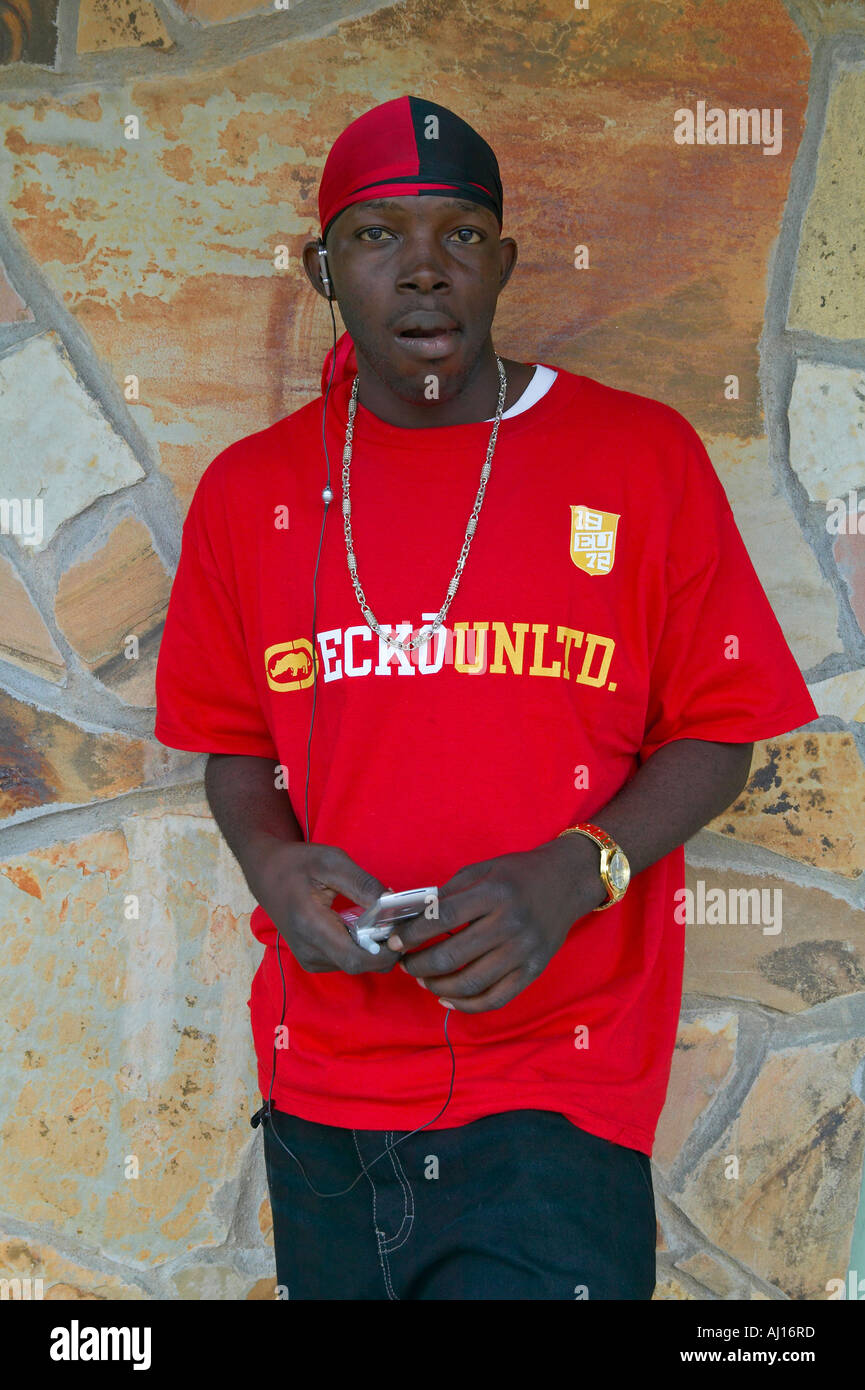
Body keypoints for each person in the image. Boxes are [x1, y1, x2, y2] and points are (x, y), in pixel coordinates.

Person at [154, 95, 818, 1300]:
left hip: (555, 1091)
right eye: (376, 238)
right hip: (325, 1095)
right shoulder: (251, 494)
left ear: (503, 264)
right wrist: (273, 867)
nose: (421, 270)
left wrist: (575, 872)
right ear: (322, 269)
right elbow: (233, 745)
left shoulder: (638, 456)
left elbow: (719, 726)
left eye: (459, 236)